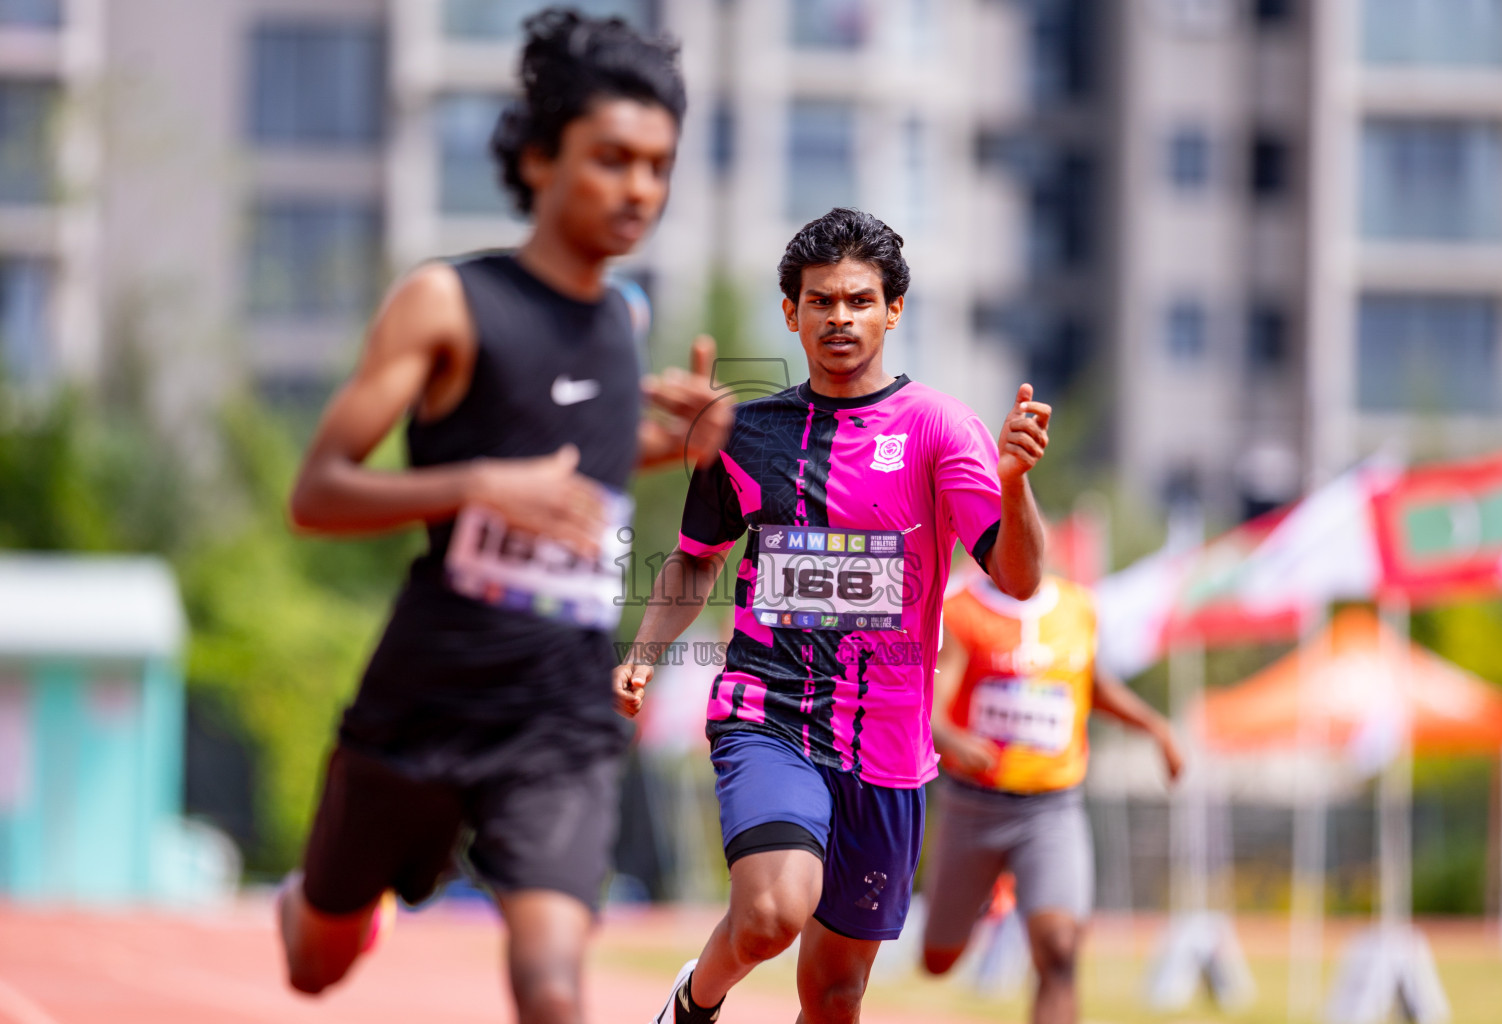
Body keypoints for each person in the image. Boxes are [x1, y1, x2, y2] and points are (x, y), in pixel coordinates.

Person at [276, 11, 730, 1024]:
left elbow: (586, 475)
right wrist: (477, 482)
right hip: (426, 694)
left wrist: (699, 441)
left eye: (658, 166)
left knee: (551, 986)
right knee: (315, 962)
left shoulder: (627, 321)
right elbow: (317, 492)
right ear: (537, 156)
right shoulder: (445, 301)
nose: (639, 190)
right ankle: (352, 897)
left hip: (559, 709)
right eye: (612, 159)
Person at [613, 206, 1054, 1024]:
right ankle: (694, 1002)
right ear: (792, 313)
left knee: (836, 992)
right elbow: (695, 558)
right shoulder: (745, 433)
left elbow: (1021, 581)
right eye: (821, 302)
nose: (840, 318)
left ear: (892, 309)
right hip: (767, 712)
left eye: (858, 300)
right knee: (774, 911)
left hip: (888, 745)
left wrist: (1017, 483)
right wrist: (643, 649)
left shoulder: (938, 428)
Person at [920, 564, 1184, 1024]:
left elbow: (1093, 686)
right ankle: (979, 896)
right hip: (974, 806)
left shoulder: (1078, 607)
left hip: (1052, 808)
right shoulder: (960, 610)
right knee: (938, 960)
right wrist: (954, 740)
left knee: (1061, 954)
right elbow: (934, 709)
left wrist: (1155, 727)